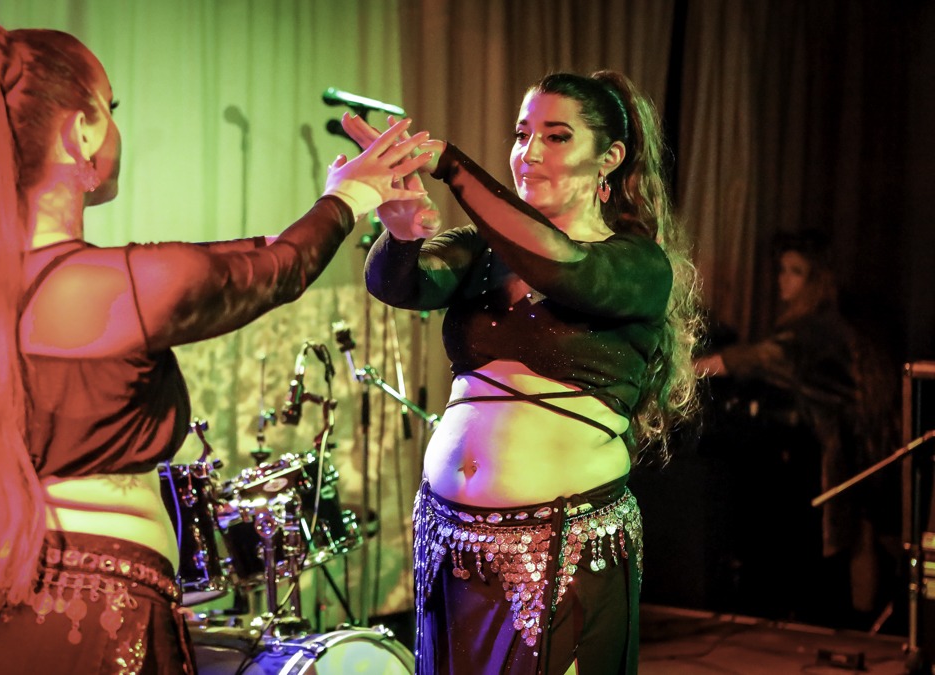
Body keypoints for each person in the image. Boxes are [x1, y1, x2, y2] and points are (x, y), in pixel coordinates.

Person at [0, 18, 431, 675]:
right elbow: (272, 271)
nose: (116, 128)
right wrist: (350, 195)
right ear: (81, 131)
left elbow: (256, 262)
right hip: (82, 626)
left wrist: (347, 198)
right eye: (110, 108)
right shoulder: (89, 289)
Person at [343, 70, 702, 674]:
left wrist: (452, 165)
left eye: (556, 136)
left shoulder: (636, 264)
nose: (529, 153)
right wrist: (400, 231)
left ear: (609, 158)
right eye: (521, 134)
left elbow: (563, 269)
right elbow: (398, 284)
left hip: (562, 552)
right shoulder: (479, 251)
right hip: (452, 544)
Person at [695, 230, 895, 627]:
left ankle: (849, 625)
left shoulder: (814, 330)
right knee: (846, 538)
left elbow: (760, 358)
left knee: (842, 540)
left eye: (796, 272)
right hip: (837, 445)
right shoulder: (813, 325)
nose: (783, 280)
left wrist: (690, 368)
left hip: (840, 448)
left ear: (815, 280)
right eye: (782, 270)